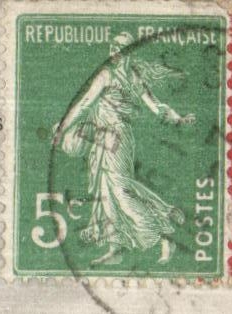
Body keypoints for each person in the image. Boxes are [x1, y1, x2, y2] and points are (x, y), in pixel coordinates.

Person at [52, 34, 196, 266]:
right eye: (112, 46)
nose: (113, 51)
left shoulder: (114, 75)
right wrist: (177, 117)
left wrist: (179, 119)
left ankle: (161, 237)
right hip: (109, 138)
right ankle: (116, 247)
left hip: (114, 139)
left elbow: (85, 103)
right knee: (107, 190)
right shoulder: (119, 74)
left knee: (119, 190)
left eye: (118, 47)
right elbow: (155, 107)